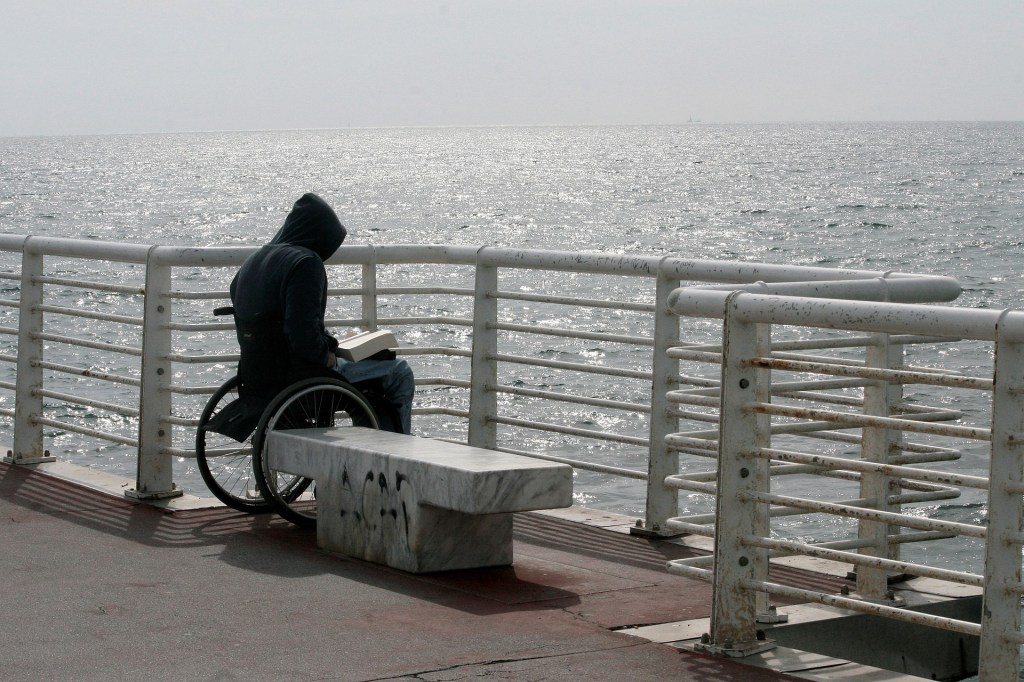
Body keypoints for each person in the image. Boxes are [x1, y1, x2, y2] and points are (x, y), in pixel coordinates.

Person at [229, 192, 414, 434]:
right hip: (300, 377)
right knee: (399, 372)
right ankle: (393, 448)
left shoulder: (252, 262)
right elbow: (302, 333)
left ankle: (371, 442)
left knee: (367, 379)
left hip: (258, 377)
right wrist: (326, 355)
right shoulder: (305, 263)